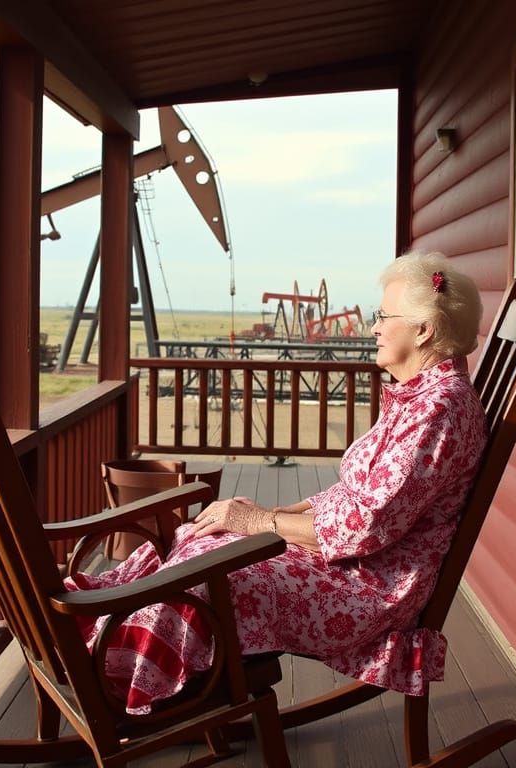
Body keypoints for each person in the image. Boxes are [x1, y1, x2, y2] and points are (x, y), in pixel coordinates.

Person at [66, 251, 488, 714]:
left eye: (384, 316)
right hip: (349, 564)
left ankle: (127, 679)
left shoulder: (438, 411)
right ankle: (117, 644)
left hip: (366, 587)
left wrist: (258, 521)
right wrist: (272, 515)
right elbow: (361, 497)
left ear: (423, 330)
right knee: (203, 536)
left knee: (205, 575)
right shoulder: (421, 398)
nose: (373, 327)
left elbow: (365, 527)